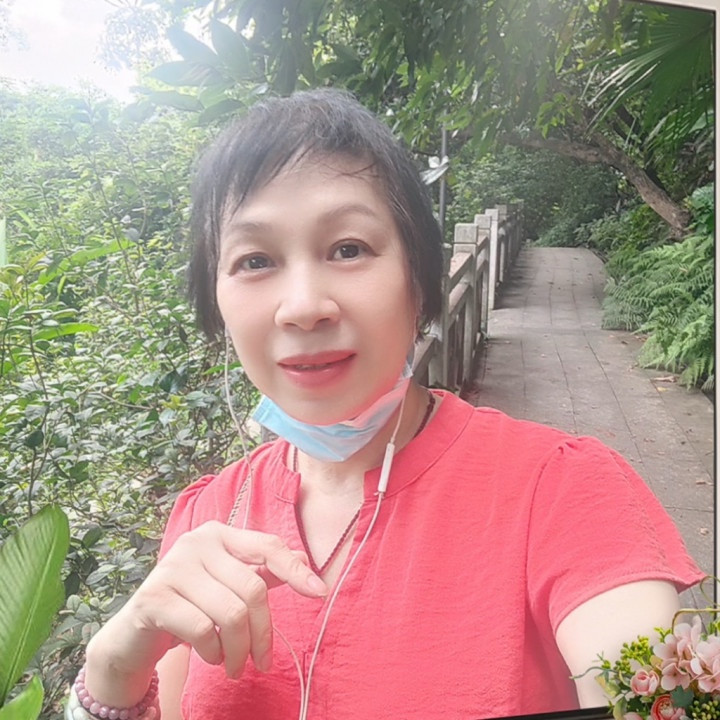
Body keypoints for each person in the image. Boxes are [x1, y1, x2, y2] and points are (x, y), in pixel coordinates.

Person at [69, 88, 705, 720]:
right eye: (255, 259)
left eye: (349, 249)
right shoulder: (207, 515)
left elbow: (654, 695)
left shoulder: (563, 492)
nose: (303, 307)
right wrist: (114, 671)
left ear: (418, 279)